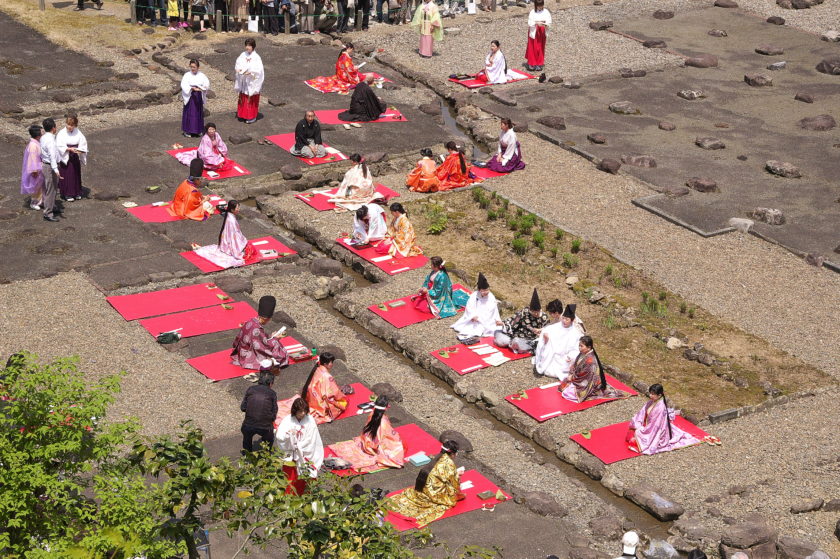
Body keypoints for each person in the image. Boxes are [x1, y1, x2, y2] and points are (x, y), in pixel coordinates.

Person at [388, 440, 464, 527]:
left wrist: (455, 473)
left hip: (424, 488)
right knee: (452, 494)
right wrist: (457, 475)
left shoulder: (437, 458)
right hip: (433, 494)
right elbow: (454, 482)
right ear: (453, 453)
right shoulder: (449, 463)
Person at [330, 396, 406, 473]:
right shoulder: (383, 421)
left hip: (366, 442)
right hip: (375, 446)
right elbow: (389, 436)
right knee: (399, 444)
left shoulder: (372, 414)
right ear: (386, 407)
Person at [626, 384, 699, 455]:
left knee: (638, 435)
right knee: (634, 431)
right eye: (650, 393)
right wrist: (639, 423)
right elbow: (642, 412)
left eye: (653, 394)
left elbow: (656, 425)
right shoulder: (652, 401)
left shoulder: (661, 407)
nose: (650, 395)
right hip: (649, 425)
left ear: (659, 395)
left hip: (656, 429)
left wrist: (643, 430)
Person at [277, 353, 349, 424]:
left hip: (311, 395)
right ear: (325, 364)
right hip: (319, 398)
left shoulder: (318, 368)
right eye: (331, 362)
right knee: (341, 403)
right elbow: (333, 391)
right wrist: (341, 395)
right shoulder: (327, 376)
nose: (332, 364)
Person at [276, 397, 324, 495]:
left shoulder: (310, 420)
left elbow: (311, 439)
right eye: (300, 411)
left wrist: (299, 446)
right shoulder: (287, 420)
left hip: (305, 454)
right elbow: (280, 436)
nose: (302, 413)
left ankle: (306, 495)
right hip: (291, 454)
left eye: (304, 411)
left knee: (305, 477)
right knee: (290, 478)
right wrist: (288, 435)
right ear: (295, 411)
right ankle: (289, 496)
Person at [557, 335, 625, 402]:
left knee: (568, 393)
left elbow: (584, 375)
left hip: (586, 382)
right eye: (579, 346)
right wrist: (571, 373)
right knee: (564, 385)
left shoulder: (590, 360)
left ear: (589, 347)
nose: (579, 348)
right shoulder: (582, 353)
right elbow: (575, 365)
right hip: (578, 379)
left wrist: (572, 377)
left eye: (581, 346)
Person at [193, 200, 259, 268]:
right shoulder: (231, 220)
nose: (238, 209)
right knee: (251, 251)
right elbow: (235, 236)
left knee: (249, 248)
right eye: (237, 208)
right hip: (233, 243)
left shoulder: (229, 215)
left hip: (228, 242)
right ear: (232, 210)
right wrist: (243, 242)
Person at [231, 295, 291, 369]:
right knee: (278, 351)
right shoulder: (257, 330)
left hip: (241, 351)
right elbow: (263, 347)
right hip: (247, 356)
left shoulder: (251, 321)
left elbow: (259, 340)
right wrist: (275, 338)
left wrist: (271, 336)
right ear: (266, 318)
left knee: (273, 341)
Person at [533, 301, 584, 379]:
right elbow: (549, 328)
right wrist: (545, 337)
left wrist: (571, 356)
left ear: (571, 320)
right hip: (553, 354)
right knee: (548, 370)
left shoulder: (576, 332)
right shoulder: (557, 325)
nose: (564, 321)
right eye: (563, 318)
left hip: (565, 357)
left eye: (567, 319)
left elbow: (576, 348)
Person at [495, 288, 548, 354]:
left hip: (532, 338)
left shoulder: (544, 317)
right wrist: (503, 323)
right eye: (534, 312)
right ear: (530, 310)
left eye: (537, 312)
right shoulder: (525, 311)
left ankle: (515, 345)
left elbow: (547, 329)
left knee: (522, 344)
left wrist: (539, 331)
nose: (536, 314)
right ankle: (511, 342)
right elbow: (514, 319)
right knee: (503, 341)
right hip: (520, 334)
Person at [450, 272, 501, 340]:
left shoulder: (491, 297)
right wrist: (472, 315)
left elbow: (492, 310)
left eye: (487, 290)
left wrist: (481, 318)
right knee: (467, 326)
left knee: (489, 327)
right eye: (483, 290)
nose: (486, 292)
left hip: (487, 317)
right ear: (479, 290)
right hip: (475, 316)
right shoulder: (474, 295)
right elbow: (469, 306)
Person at [306, 44, 372, 95]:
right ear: (349, 49)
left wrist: (353, 68)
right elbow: (349, 69)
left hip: (340, 75)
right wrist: (355, 68)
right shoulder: (346, 58)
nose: (352, 51)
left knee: (366, 76)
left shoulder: (342, 56)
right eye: (352, 49)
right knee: (368, 76)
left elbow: (345, 67)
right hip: (346, 77)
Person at [240, 369, 278, 454]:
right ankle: (266, 455)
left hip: (248, 425)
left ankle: (247, 454)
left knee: (247, 437)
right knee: (269, 438)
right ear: (270, 383)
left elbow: (243, 407)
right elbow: (274, 412)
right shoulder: (272, 393)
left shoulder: (250, 389)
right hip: (265, 427)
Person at [56, 115, 88, 202]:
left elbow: (83, 143)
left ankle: (77, 192)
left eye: (72, 125)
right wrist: (68, 149)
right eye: (68, 124)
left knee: (75, 174)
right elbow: (59, 145)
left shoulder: (78, 132)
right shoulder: (61, 133)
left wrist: (80, 150)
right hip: (66, 156)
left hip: (75, 156)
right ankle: (67, 193)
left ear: (75, 125)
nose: (69, 126)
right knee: (67, 175)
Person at [234, 39, 264, 124]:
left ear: (253, 46)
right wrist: (238, 69)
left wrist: (251, 72)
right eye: (246, 45)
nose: (247, 47)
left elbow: (259, 70)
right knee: (243, 97)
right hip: (244, 79)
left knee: (251, 98)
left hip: (251, 80)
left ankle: (251, 116)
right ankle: (242, 115)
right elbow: (238, 64)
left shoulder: (256, 57)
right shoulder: (243, 55)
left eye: (249, 45)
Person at [39, 118, 60, 222]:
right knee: (51, 189)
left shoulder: (44, 137)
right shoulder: (50, 140)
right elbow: (52, 156)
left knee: (52, 188)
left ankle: (52, 206)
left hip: (46, 165)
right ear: (53, 128)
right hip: (50, 167)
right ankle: (48, 213)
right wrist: (56, 169)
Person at [180, 60, 209, 138]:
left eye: (194, 67)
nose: (192, 68)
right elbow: (183, 84)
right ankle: (188, 130)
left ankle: (198, 130)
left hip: (198, 95)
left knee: (198, 113)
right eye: (191, 67)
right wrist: (191, 88)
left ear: (198, 67)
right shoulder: (187, 75)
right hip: (190, 95)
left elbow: (206, 84)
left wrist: (202, 88)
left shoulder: (202, 75)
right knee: (190, 113)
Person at [21, 125, 44, 211]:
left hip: (40, 166)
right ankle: (34, 202)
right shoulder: (33, 145)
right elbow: (32, 159)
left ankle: (41, 201)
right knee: (36, 187)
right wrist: (34, 170)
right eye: (41, 132)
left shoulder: (36, 143)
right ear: (38, 135)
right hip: (36, 169)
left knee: (41, 187)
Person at [525, 0, 551, 72]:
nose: (540, 7)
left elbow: (549, 21)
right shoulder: (532, 12)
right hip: (534, 32)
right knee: (532, 48)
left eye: (541, 5)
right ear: (536, 5)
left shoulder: (546, 12)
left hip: (542, 32)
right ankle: (531, 64)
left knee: (540, 48)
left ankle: (539, 64)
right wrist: (536, 23)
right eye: (539, 6)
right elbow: (530, 22)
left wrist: (544, 24)